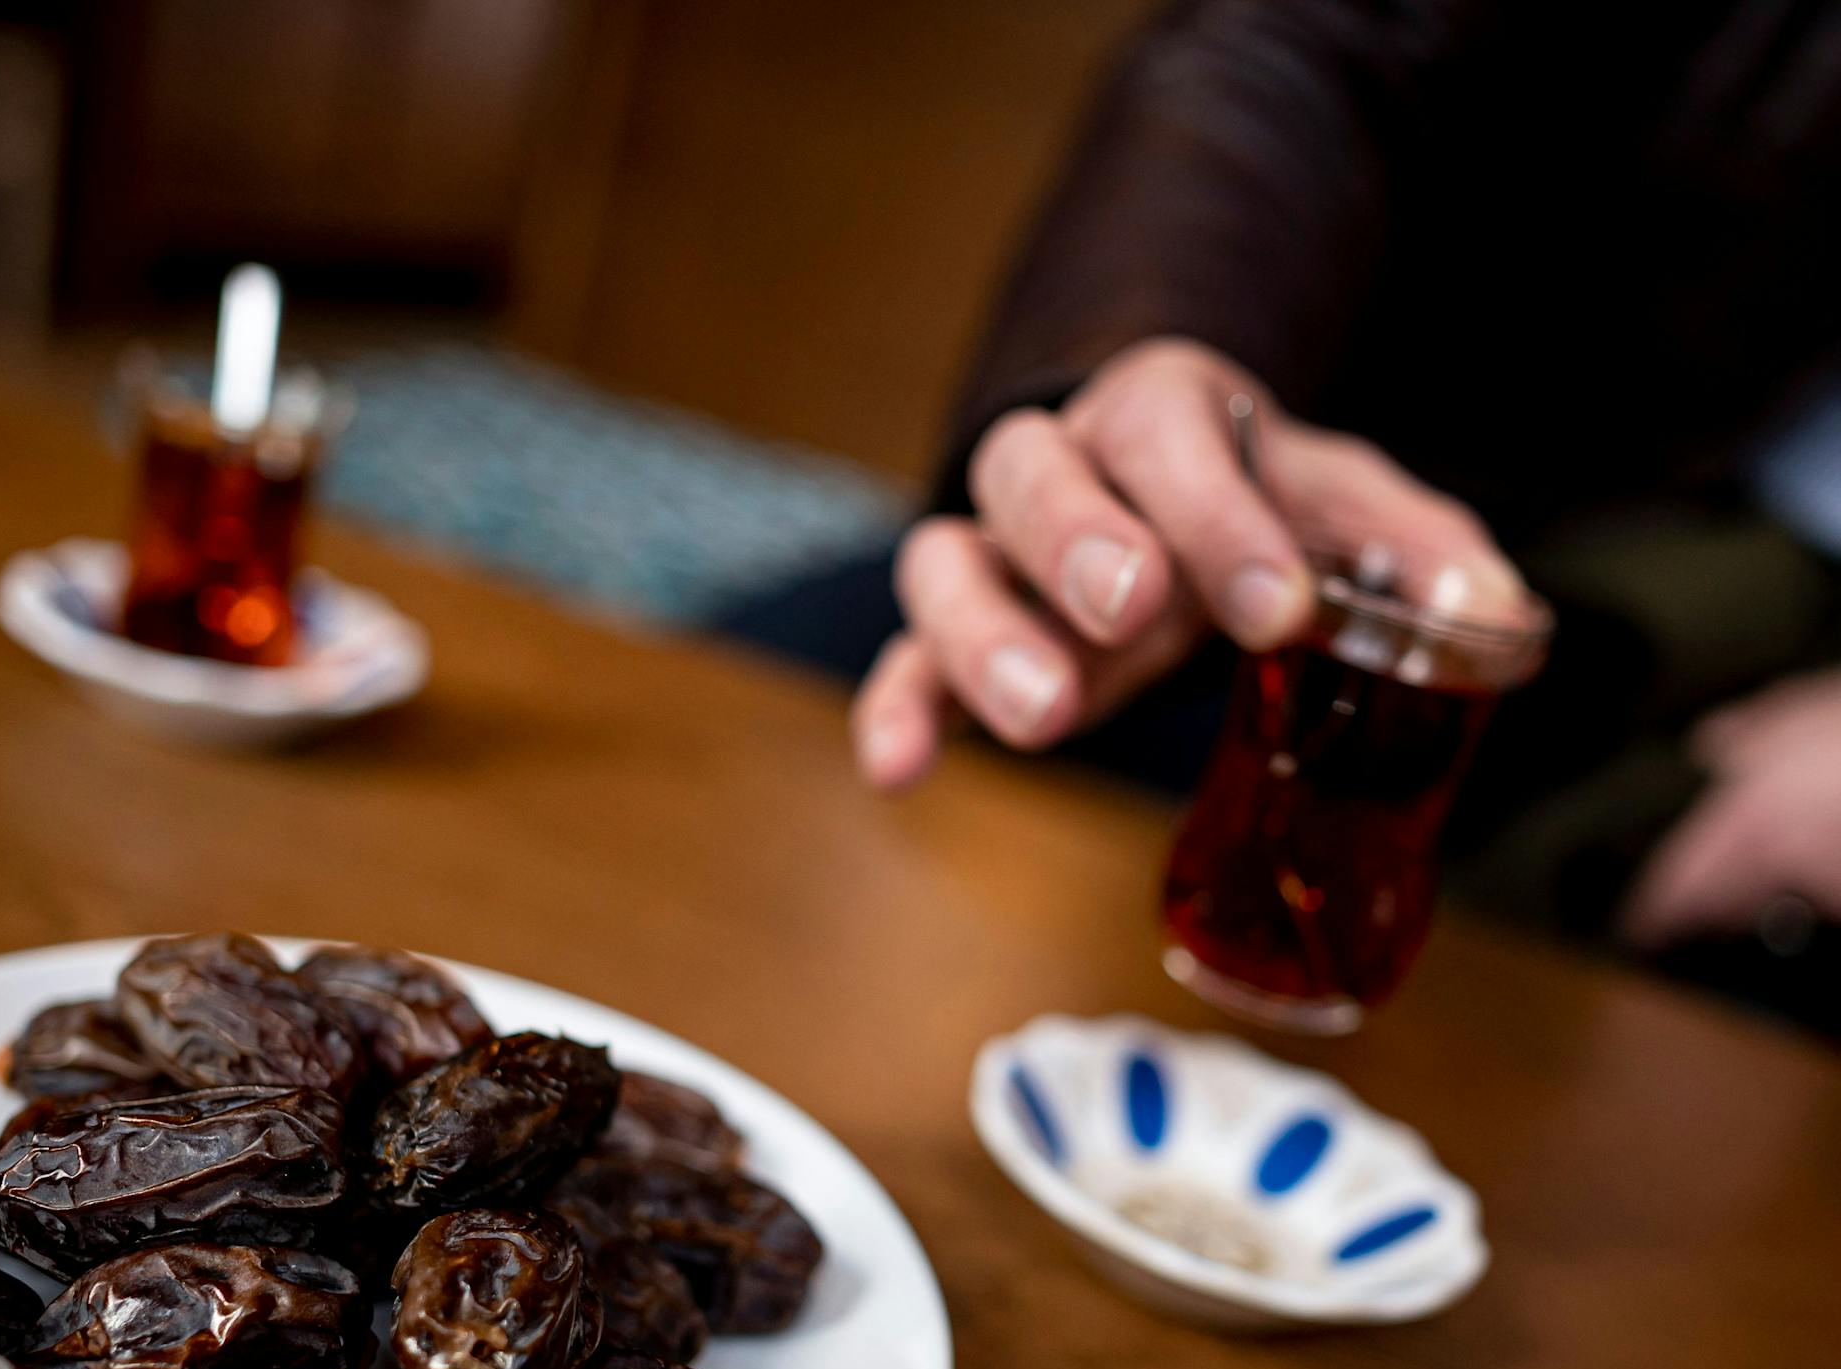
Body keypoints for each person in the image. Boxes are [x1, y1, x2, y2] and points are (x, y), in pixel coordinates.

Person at [731, 0, 1841, 1030]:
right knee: (773, 719)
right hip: (1318, 497)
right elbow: (1296, 36)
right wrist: (1147, 361)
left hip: (1697, 682)